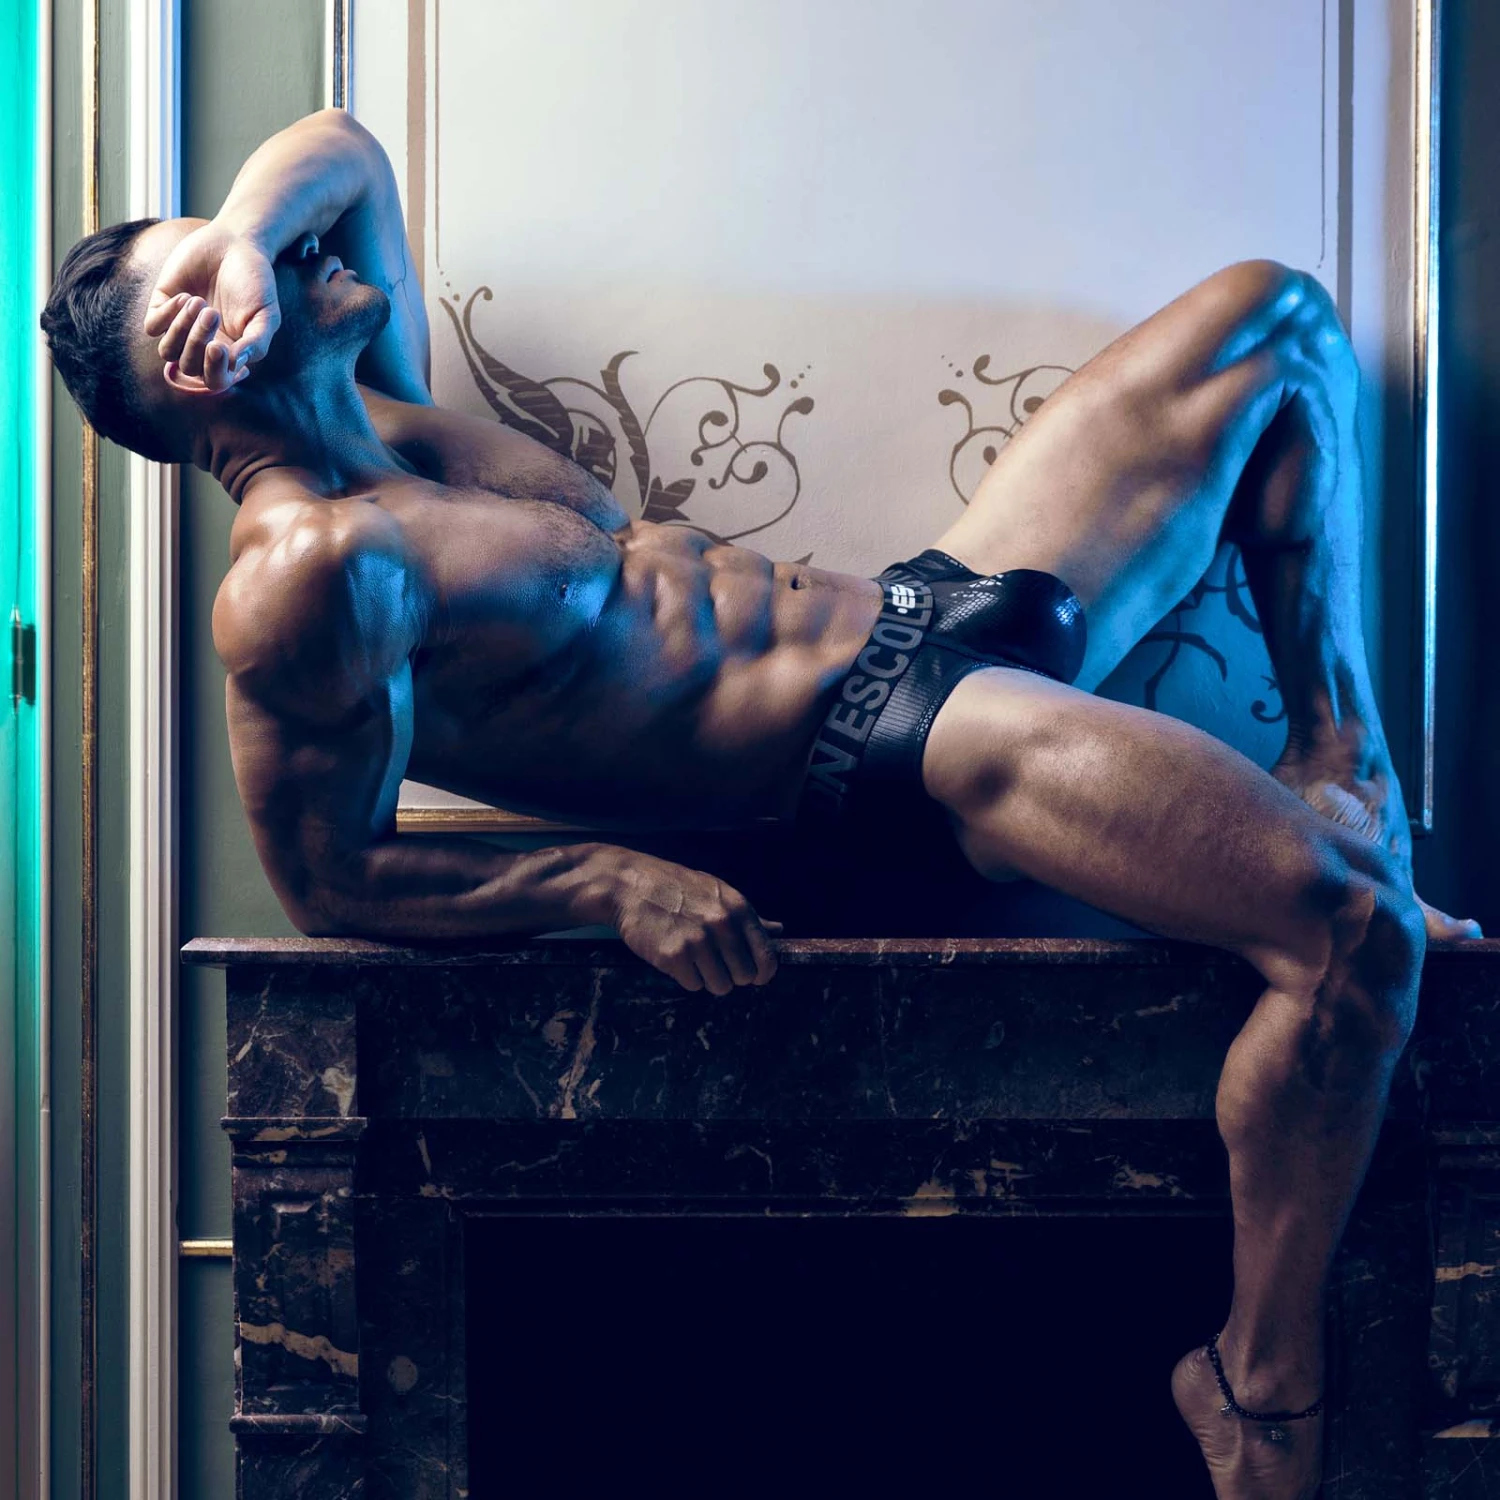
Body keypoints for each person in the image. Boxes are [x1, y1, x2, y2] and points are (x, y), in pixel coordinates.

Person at [41, 108, 1481, 1499]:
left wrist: (233, 240)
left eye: (244, 243)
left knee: (1277, 326)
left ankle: (1338, 763)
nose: (280, 254)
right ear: (195, 367)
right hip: (884, 761)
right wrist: (601, 882)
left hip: (927, 617)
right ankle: (1258, 1387)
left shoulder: (391, 421)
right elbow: (332, 882)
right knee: (1356, 938)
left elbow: (340, 149)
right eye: (209, 279)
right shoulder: (310, 573)